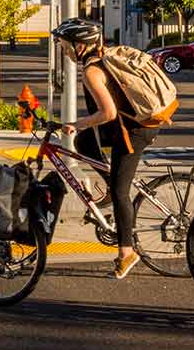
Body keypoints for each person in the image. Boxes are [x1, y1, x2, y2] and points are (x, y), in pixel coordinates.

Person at [52, 17, 155, 280]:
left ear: (80, 45)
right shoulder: (99, 60)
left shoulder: (91, 71)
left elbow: (107, 113)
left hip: (133, 131)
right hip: (128, 124)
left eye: (65, 45)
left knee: (122, 192)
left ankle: (126, 253)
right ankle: (109, 184)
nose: (64, 50)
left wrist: (77, 123)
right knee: (85, 142)